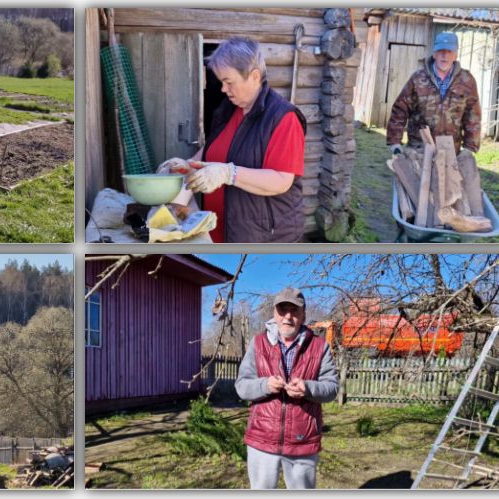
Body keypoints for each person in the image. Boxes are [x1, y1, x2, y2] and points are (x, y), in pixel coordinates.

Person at [160, 37, 307, 243]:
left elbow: (281, 181)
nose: (223, 89)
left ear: (254, 76)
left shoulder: (283, 118)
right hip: (221, 229)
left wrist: (229, 173)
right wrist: (188, 165)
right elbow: (213, 149)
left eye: (229, 82)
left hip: (261, 237)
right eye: (221, 82)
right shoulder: (228, 110)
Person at [234, 288, 338, 489]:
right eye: (283, 310)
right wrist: (265, 385)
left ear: (303, 314)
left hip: (303, 441)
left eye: (294, 310)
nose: (288, 317)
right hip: (262, 439)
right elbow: (242, 386)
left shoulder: (319, 346)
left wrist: (308, 388)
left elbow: (332, 388)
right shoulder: (258, 343)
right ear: (274, 313)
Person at [387, 32, 481, 156]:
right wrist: (394, 142)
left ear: (456, 55)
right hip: (419, 149)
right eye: (441, 51)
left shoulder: (467, 80)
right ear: (434, 53)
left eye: (449, 51)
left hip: (451, 152)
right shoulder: (418, 78)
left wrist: (470, 148)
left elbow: (473, 116)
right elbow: (400, 110)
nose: (445, 56)